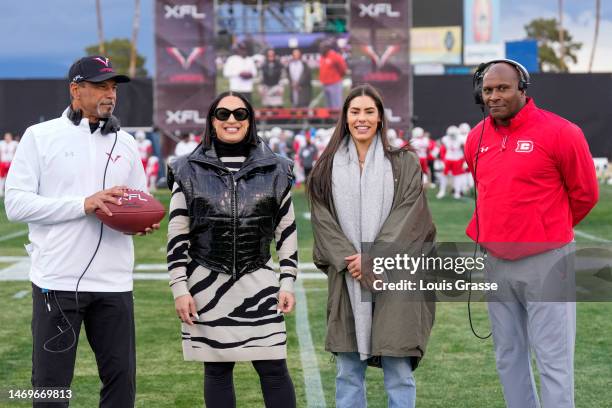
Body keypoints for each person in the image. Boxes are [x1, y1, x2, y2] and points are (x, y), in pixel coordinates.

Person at [4, 55, 159, 407]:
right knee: (50, 389)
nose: (111, 94)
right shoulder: (39, 137)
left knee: (121, 387)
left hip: (115, 283)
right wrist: (83, 204)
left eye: (114, 87)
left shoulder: (127, 143)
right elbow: (15, 205)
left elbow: (136, 202)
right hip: (57, 281)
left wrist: (140, 223)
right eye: (101, 86)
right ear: (76, 89)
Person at [465, 60, 599, 408]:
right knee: (508, 356)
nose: (494, 96)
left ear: (522, 88)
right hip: (495, 261)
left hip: (548, 261)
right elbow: (485, 189)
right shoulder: (475, 137)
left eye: (503, 88)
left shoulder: (561, 132)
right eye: (488, 90)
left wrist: (546, 229)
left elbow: (585, 194)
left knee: (553, 360)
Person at [307, 84, 436, 408]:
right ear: (345, 118)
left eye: (369, 111)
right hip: (347, 278)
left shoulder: (404, 161)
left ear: (380, 118)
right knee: (348, 372)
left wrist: (373, 258)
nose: (361, 118)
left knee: (399, 371)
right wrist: (354, 261)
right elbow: (323, 222)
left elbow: (410, 216)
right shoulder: (326, 167)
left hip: (394, 278)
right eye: (355, 112)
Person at [167, 91, 298, 408]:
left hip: (260, 282)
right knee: (217, 369)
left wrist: (287, 281)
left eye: (240, 114)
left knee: (273, 368)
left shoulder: (277, 169)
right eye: (223, 114)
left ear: (250, 120)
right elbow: (177, 232)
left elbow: (287, 229)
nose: (231, 120)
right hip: (206, 283)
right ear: (212, 121)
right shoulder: (186, 169)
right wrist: (179, 288)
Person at [318, 41, 347, 109]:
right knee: (328, 106)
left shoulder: (334, 56)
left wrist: (337, 78)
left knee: (336, 105)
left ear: (327, 48)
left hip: (334, 84)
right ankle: (330, 119)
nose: (321, 49)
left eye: (322, 48)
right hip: (325, 84)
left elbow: (343, 68)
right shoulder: (322, 57)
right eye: (320, 48)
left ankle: (338, 119)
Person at [0, 131, 19, 196]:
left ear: (11, 137)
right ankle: (1, 191)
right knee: (2, 177)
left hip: (11, 162)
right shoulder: (1, 143)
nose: (7, 138)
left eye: (8, 136)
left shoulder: (15, 143)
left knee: (11, 177)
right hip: (3, 162)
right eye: (6, 136)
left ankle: (10, 191)